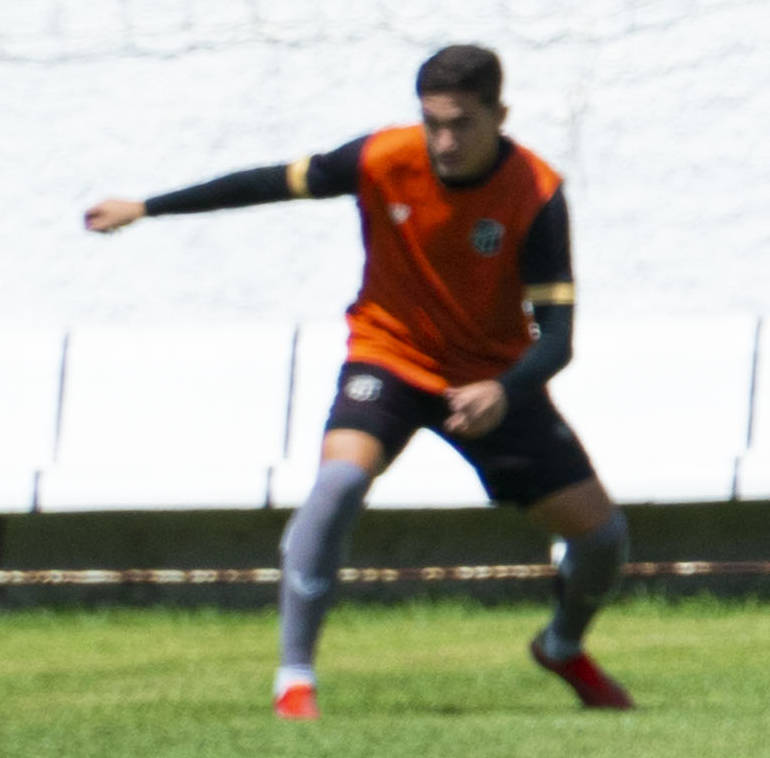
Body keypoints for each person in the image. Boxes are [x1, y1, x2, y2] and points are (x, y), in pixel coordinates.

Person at [84, 45, 636, 715]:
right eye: (433, 122)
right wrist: (146, 206)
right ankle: (295, 680)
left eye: (461, 123)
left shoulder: (536, 191)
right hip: (389, 358)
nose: (444, 141)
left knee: (602, 540)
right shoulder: (382, 157)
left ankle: (560, 645)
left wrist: (503, 391)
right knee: (339, 482)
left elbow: (557, 337)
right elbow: (268, 183)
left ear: (500, 115)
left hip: (487, 383)